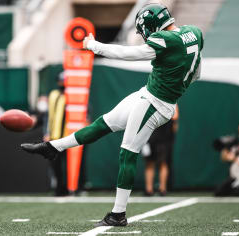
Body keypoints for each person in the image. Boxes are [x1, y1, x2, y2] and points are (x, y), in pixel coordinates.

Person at [21, 3, 203, 226]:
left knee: (128, 153)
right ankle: (53, 148)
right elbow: (197, 71)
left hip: (155, 103)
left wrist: (93, 45)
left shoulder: (164, 41)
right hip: (150, 94)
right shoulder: (193, 33)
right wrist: (183, 82)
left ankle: (118, 214)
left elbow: (127, 53)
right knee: (103, 123)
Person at [142, 105, 178, 196]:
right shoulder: (148, 102)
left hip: (163, 139)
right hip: (150, 139)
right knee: (150, 163)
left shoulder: (171, 103)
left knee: (163, 163)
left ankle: (162, 189)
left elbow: (175, 117)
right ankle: (149, 189)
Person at [44, 74, 69, 196]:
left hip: (70, 137)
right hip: (55, 136)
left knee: (69, 165)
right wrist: (47, 132)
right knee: (55, 164)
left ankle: (73, 188)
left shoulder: (74, 95)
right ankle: (59, 188)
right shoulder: (54, 94)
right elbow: (48, 115)